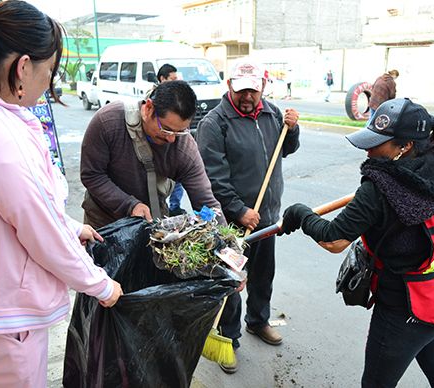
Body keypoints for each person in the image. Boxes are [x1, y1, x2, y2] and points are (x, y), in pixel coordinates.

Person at [0, 2, 123, 387]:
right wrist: (100, 285)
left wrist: (69, 225)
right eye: (49, 71)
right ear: (23, 67)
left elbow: (1, 205)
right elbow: (39, 230)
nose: (49, 83)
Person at [279, 98, 434, 387]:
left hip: (406, 309)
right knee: (432, 358)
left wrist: (300, 213)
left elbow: (334, 240)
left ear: (405, 146)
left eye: (379, 142)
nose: (369, 148)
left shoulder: (378, 188)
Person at [196, 60, 300, 374]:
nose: (247, 97)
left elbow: (286, 149)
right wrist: (238, 210)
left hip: (267, 216)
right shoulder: (215, 123)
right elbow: (212, 177)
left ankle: (258, 321)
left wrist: (292, 129)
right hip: (231, 224)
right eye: (241, 90)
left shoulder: (272, 115)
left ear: (263, 87)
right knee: (230, 282)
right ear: (229, 86)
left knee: (263, 274)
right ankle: (229, 338)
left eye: (252, 90)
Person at [80, 79, 223, 228]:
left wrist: (226, 244)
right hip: (103, 221)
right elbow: (92, 175)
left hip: (150, 220)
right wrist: (129, 205)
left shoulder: (184, 147)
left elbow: (206, 201)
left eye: (180, 131)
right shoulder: (108, 122)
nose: (171, 138)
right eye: (166, 129)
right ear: (148, 108)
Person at [155, 63, 186, 216]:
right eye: (172, 79)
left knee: (177, 181)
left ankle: (174, 207)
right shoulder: (154, 99)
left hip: (173, 156)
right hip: (159, 156)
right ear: (162, 79)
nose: (175, 82)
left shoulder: (178, 98)